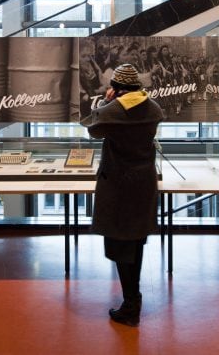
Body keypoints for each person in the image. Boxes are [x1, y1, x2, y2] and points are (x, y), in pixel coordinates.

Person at [80, 64, 164, 328]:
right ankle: (132, 299)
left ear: (116, 89)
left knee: (119, 244)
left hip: (118, 185)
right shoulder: (154, 109)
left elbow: (89, 127)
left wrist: (105, 103)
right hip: (144, 183)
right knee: (136, 242)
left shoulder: (113, 111)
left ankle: (131, 305)